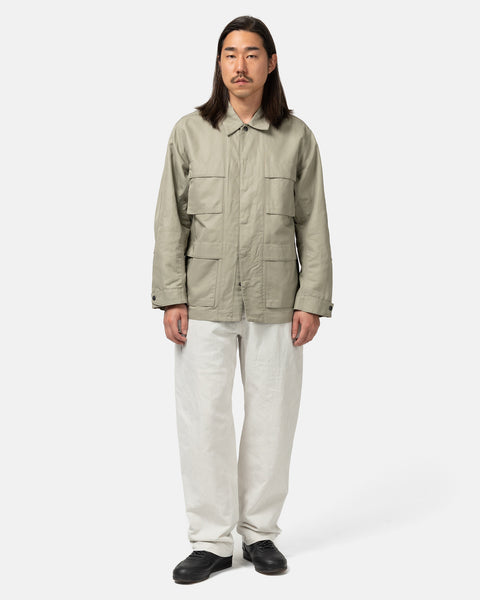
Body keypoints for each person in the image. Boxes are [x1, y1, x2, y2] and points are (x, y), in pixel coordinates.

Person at [151, 15, 334, 584]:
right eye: (230, 54)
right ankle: (210, 540)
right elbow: (170, 221)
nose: (240, 65)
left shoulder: (296, 137)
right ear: (219, 63)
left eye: (252, 54)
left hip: (277, 300)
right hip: (203, 299)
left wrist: (312, 298)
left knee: (272, 419)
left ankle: (259, 534)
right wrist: (171, 296)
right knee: (203, 420)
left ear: (271, 63)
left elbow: (313, 223)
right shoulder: (190, 132)